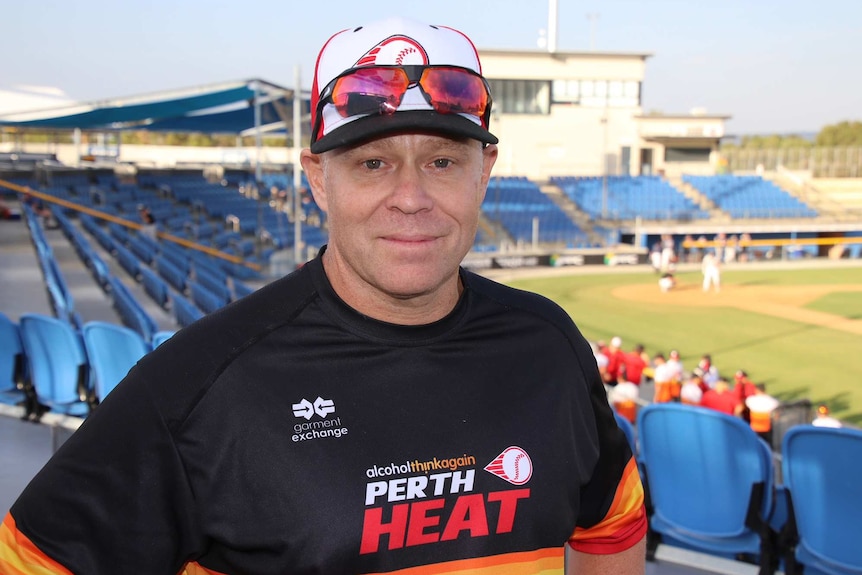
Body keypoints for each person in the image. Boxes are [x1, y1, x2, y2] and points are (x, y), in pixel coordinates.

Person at [1, 17, 646, 575]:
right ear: (317, 180)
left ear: (486, 173)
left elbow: (612, 524)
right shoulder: (197, 385)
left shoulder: (550, 347)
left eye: (442, 162)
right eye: (373, 163)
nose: (412, 197)